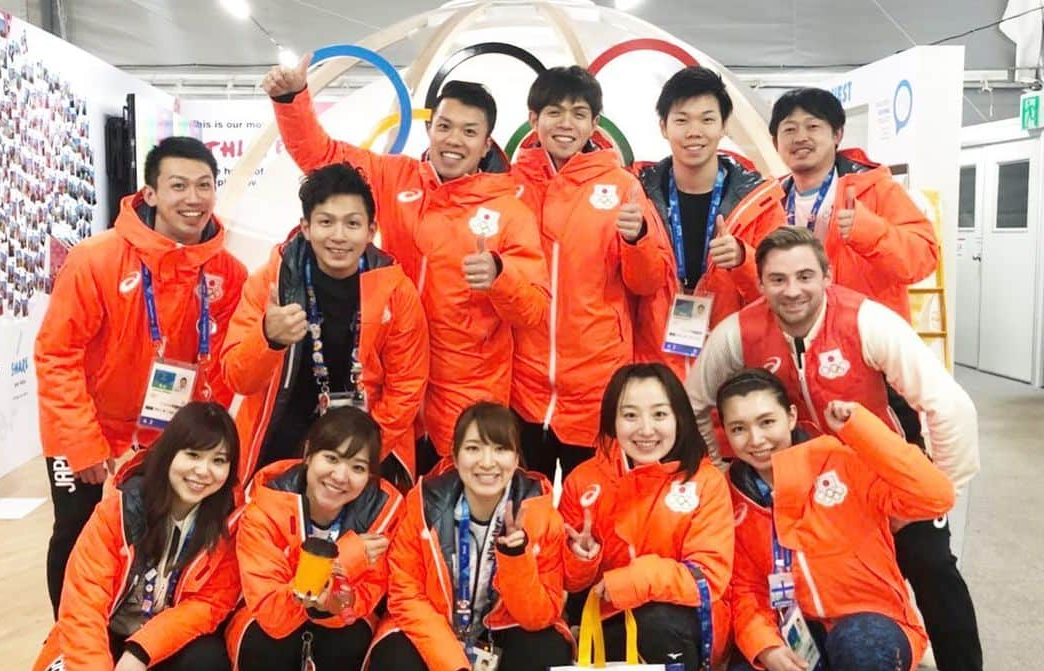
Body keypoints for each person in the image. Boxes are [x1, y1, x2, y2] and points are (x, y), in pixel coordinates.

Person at [686, 226, 1001, 671]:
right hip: (786, 486)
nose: (792, 290)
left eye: (805, 276)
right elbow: (695, 398)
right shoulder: (740, 332)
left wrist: (932, 495)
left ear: (827, 276)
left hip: (875, 477)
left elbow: (948, 406)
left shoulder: (866, 320)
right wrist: (717, 470)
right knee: (796, 585)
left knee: (933, 572)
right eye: (777, 279)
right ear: (759, 283)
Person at [262, 56, 548, 472]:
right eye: (445, 126)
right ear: (430, 128)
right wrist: (291, 100)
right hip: (389, 380)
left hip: (466, 391)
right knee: (389, 503)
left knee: (451, 514)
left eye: (470, 132)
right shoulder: (394, 177)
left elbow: (534, 310)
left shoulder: (511, 211)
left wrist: (500, 278)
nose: (454, 139)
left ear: (487, 144)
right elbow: (322, 157)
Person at [715, 369, 955, 671]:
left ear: (791, 416)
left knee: (864, 644)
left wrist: (861, 429)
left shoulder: (841, 458)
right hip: (797, 631)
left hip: (872, 622)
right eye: (739, 428)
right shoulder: (729, 495)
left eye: (766, 421)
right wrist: (763, 644)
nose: (756, 439)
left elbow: (935, 495)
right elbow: (743, 588)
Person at [35, 136, 247, 616]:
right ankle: (69, 642)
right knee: (77, 533)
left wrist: (201, 439)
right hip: (93, 433)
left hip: (169, 437)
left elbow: (227, 363)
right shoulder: (96, 259)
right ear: (149, 193)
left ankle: (133, 636)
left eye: (203, 185)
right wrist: (83, 443)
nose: (192, 199)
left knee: (152, 534)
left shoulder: (228, 272)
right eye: (178, 186)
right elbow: (57, 353)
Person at [8, 402, 241, 671]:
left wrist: (141, 649)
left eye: (219, 460)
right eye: (192, 454)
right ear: (168, 455)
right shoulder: (115, 512)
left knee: (210, 663)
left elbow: (209, 605)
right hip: (108, 635)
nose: (202, 471)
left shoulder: (227, 523)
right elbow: (82, 613)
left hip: (162, 642)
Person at [364, 402, 571, 671]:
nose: (487, 463)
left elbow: (541, 613)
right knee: (390, 669)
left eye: (500, 449)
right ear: (455, 456)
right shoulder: (424, 503)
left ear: (517, 457)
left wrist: (516, 558)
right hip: (438, 623)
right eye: (474, 448)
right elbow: (405, 594)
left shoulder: (538, 511)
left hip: (500, 630)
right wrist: (452, 666)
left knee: (549, 650)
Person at [203, 407, 402, 671]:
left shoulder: (385, 512)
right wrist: (344, 558)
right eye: (331, 458)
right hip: (272, 613)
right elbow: (274, 611)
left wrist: (333, 601)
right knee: (261, 636)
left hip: (338, 617)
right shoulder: (264, 505)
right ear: (308, 453)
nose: (341, 476)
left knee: (353, 631)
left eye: (358, 467)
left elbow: (365, 597)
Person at [509, 66, 673, 481]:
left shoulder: (621, 187)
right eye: (554, 112)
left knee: (595, 511)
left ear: (595, 124)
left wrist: (637, 240)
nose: (566, 124)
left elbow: (647, 283)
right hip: (523, 384)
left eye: (579, 113)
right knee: (528, 511)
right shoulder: (509, 186)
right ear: (533, 119)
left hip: (597, 382)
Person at [221, 162, 429, 490]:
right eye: (326, 222)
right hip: (279, 443)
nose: (338, 236)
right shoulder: (273, 280)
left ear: (372, 228)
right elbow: (237, 377)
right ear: (305, 227)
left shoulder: (395, 290)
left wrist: (361, 455)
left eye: (352, 224)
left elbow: (407, 387)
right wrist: (268, 339)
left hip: (368, 443)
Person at [560, 363, 734, 671]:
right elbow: (566, 582)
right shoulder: (583, 480)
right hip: (605, 620)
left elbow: (707, 578)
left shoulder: (705, 481)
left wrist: (629, 581)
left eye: (659, 414)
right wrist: (581, 558)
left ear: (679, 417)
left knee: (658, 624)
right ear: (612, 419)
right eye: (630, 415)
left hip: (681, 623)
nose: (645, 429)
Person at [634, 67, 785, 381]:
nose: (694, 131)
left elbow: (781, 287)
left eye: (706, 119)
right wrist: (636, 240)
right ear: (663, 126)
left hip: (731, 366)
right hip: (654, 367)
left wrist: (744, 259)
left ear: (723, 126)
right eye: (681, 120)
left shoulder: (759, 202)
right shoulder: (636, 194)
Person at [770, 87, 937, 321]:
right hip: (794, 334)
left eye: (813, 126)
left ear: (837, 135)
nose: (800, 138)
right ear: (775, 141)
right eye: (789, 129)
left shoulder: (876, 188)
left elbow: (923, 258)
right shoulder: (768, 201)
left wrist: (867, 230)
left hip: (865, 336)